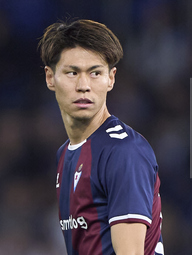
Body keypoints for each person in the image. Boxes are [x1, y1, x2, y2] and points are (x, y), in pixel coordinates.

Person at [38, 19, 164, 255]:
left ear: (111, 78)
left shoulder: (123, 151)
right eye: (72, 72)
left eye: (95, 73)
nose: (83, 85)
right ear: (50, 78)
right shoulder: (65, 153)